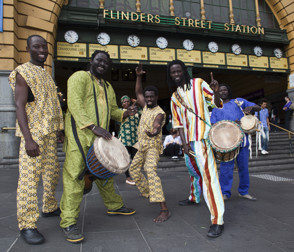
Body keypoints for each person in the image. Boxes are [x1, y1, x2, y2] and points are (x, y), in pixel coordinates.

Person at [60, 50, 136, 244]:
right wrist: (93, 127)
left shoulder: (108, 86)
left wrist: (126, 113)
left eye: (106, 62)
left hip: (98, 139)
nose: (103, 64)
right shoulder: (79, 77)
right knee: (74, 178)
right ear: (91, 61)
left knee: (105, 174)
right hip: (80, 135)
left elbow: (112, 110)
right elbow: (75, 104)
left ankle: (114, 205)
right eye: (99, 60)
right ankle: (68, 222)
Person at [8, 35, 64, 245]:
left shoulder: (46, 74)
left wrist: (59, 128)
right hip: (34, 136)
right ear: (28, 49)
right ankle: (27, 225)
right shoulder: (23, 73)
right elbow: (20, 107)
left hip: (49, 134)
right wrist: (29, 139)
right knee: (29, 181)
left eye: (44, 46)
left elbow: (51, 104)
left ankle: (49, 206)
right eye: (36, 46)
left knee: (52, 174)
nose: (42, 49)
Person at [168, 60, 224, 238]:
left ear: (184, 71)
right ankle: (194, 197)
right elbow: (178, 124)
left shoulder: (199, 83)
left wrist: (215, 93)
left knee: (209, 178)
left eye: (178, 71)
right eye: (172, 72)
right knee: (194, 172)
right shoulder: (174, 97)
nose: (176, 74)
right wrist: (184, 145)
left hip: (203, 138)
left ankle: (217, 220)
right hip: (189, 142)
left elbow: (216, 104)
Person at [129, 64, 170, 223]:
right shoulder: (145, 106)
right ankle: (148, 192)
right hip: (142, 147)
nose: (149, 99)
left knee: (150, 171)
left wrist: (154, 131)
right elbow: (138, 91)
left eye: (152, 96)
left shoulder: (159, 112)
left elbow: (157, 124)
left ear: (157, 97)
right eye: (147, 97)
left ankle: (164, 209)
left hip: (153, 147)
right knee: (133, 170)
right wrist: (139, 76)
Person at [210, 84, 260, 201]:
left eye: (225, 89)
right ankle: (224, 192)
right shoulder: (216, 109)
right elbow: (214, 127)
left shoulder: (239, 102)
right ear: (217, 93)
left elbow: (258, 107)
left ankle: (243, 192)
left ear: (228, 91)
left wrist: (251, 108)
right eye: (220, 90)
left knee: (243, 168)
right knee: (225, 169)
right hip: (226, 144)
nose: (223, 92)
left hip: (242, 141)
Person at [118, 95, 140, 185]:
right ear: (122, 104)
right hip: (125, 138)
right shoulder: (120, 111)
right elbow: (123, 116)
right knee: (126, 159)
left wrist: (137, 103)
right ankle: (127, 177)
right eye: (124, 102)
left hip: (135, 138)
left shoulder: (137, 111)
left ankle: (134, 175)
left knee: (135, 159)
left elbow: (145, 108)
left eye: (127, 101)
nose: (126, 103)